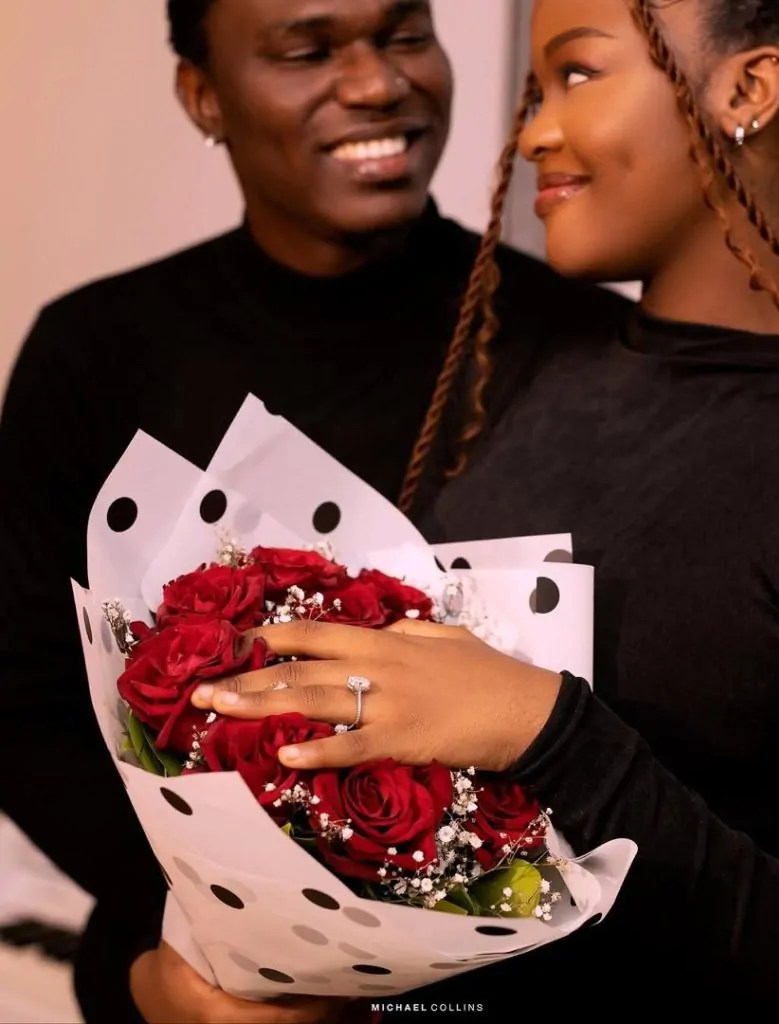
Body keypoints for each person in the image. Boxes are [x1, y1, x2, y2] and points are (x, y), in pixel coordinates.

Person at [0, 0, 631, 1022]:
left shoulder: (588, 346)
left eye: (405, 34)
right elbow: (20, 703)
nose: (378, 84)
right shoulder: (97, 352)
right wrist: (206, 924)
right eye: (307, 49)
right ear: (204, 95)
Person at [195, 0, 779, 1018]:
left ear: (746, 90)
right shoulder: (521, 372)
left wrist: (545, 731)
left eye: (577, 75)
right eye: (535, 91)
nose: (531, 134)